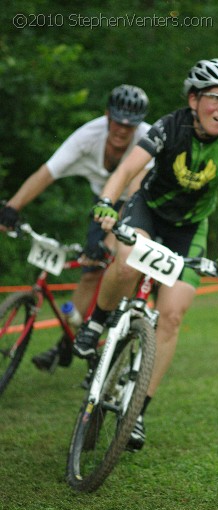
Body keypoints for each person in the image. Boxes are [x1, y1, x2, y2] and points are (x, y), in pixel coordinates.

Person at [73, 58, 218, 452]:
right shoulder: (168, 127)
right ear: (193, 99)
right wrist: (106, 201)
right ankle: (96, 323)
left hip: (190, 229)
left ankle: (136, 412)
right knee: (126, 259)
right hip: (149, 211)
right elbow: (125, 170)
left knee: (171, 316)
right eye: (215, 99)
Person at [0, 84, 153, 371]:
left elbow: (134, 195)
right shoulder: (88, 136)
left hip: (137, 200)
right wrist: (12, 208)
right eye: (118, 121)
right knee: (89, 273)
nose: (123, 129)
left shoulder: (148, 138)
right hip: (104, 200)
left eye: (130, 125)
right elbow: (46, 173)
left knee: (120, 268)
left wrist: (109, 240)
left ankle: (114, 346)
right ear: (107, 116)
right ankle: (67, 343)